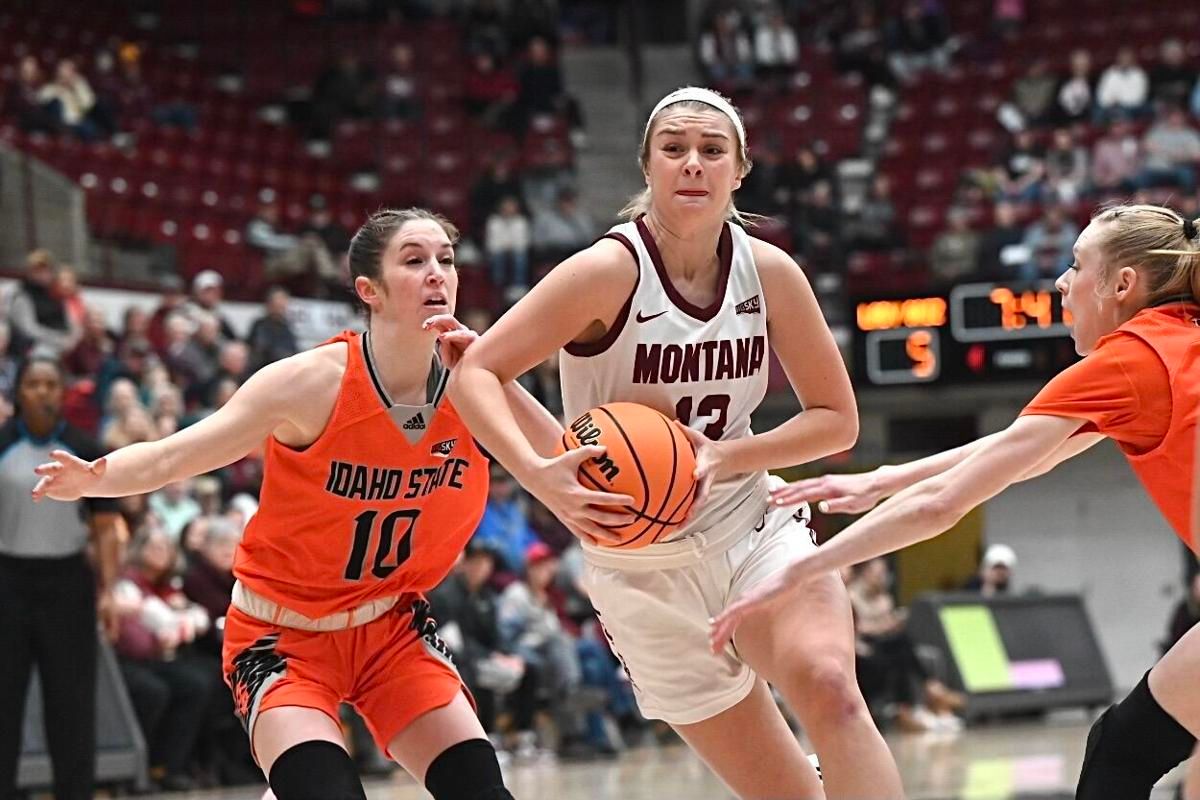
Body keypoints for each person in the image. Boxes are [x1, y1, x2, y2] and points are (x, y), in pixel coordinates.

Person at [31, 208, 579, 800]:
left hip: (390, 628)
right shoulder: (309, 383)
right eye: (415, 261)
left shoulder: (471, 386)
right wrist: (94, 478)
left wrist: (492, 373)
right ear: (369, 290)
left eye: (446, 260)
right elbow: (173, 456)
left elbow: (560, 459)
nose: (437, 275)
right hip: (282, 635)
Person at [451, 87, 904, 799]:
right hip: (640, 568)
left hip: (752, 527)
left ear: (739, 170)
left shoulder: (771, 273)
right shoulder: (606, 271)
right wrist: (541, 477)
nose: (693, 163)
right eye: (674, 149)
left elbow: (835, 419)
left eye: (711, 150)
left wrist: (727, 455)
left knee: (832, 690)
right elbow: (477, 369)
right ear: (649, 166)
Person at [711, 203, 1200, 800]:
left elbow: (944, 503)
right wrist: (882, 480)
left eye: (1076, 265)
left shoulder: (1128, 359)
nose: (1060, 283)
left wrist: (805, 566)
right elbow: (1025, 451)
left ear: (1122, 285)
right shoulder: (1177, 344)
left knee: (1120, 753)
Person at [0, 356, 129, 800]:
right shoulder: (2, 444)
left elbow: (107, 527)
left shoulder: (83, 448)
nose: (42, 391)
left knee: (71, 706)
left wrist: (109, 592)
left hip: (67, 584)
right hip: (7, 583)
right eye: (33, 383)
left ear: (62, 392)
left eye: (51, 383)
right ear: (18, 392)